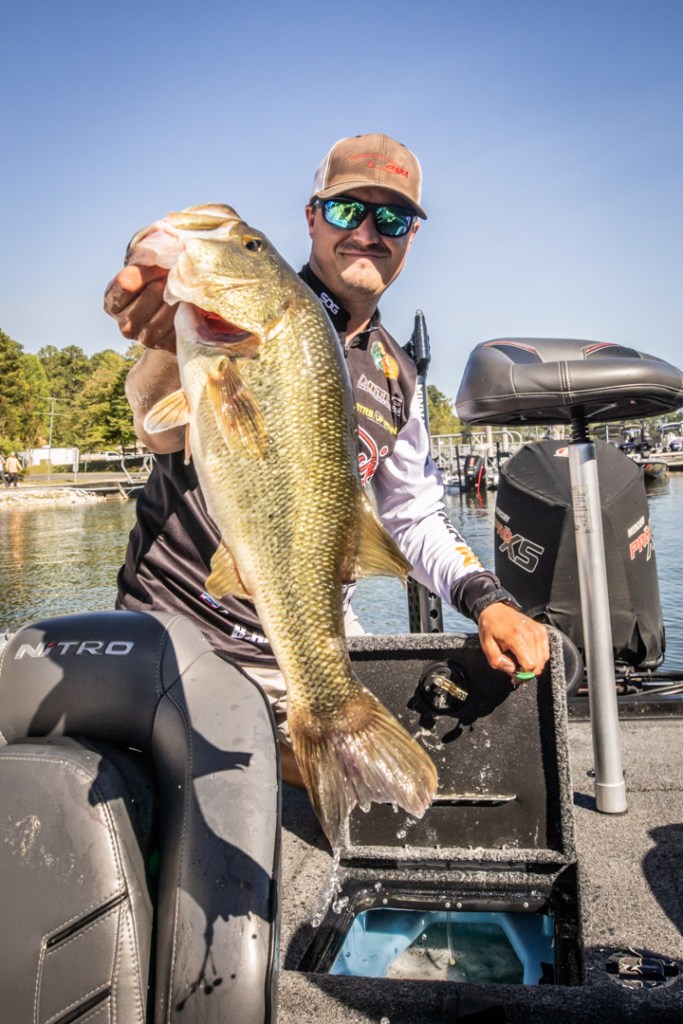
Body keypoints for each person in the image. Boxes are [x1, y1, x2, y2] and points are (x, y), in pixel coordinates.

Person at [104, 133, 549, 785]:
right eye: (346, 210)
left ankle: (312, 732)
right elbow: (153, 422)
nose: (367, 232)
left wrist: (490, 600)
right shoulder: (225, 328)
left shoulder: (398, 378)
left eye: (391, 217)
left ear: (411, 238)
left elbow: (412, 516)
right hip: (175, 633)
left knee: (369, 796)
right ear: (311, 217)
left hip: (299, 647)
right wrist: (169, 341)